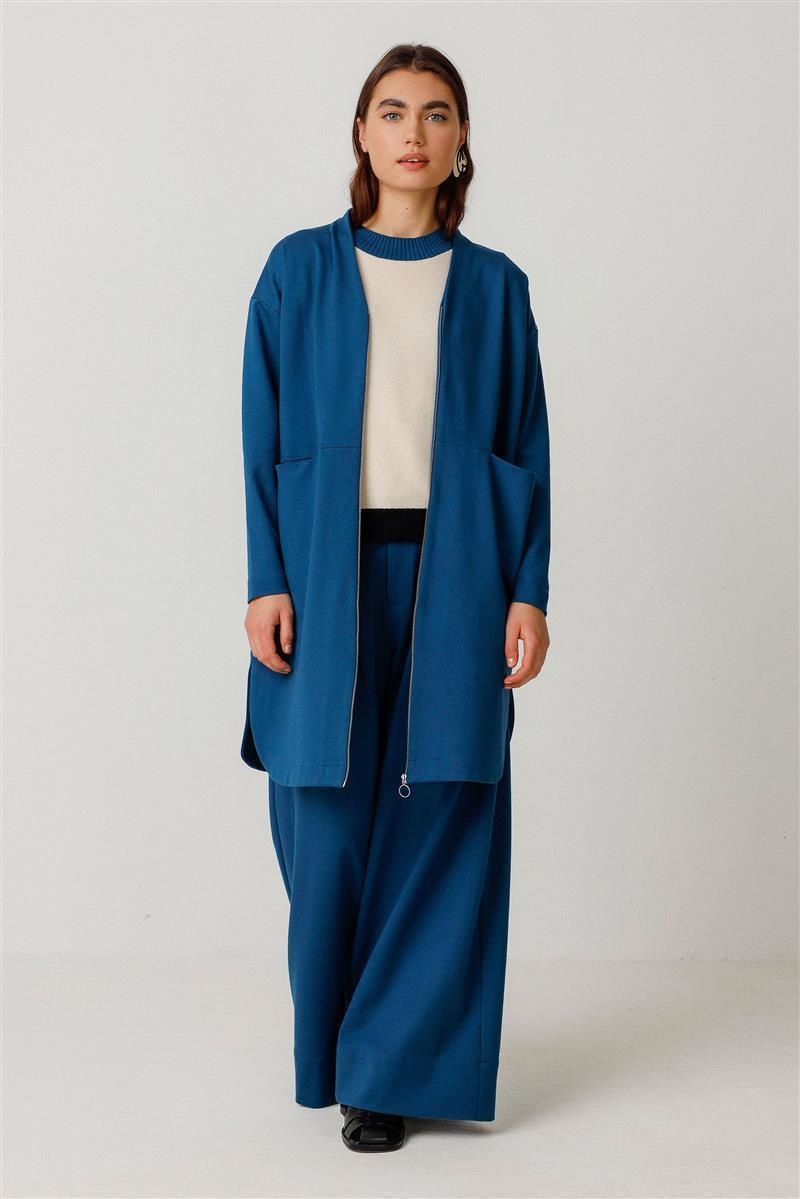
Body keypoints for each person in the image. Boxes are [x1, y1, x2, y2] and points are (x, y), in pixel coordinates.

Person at [241, 43, 551, 1152]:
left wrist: (527, 590)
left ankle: (384, 1074)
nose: (412, 132)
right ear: (361, 133)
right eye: (391, 111)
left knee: (443, 814)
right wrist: (265, 577)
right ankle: (336, 1050)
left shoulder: (496, 288)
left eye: (435, 113)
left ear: (461, 140)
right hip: (325, 576)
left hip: (457, 570)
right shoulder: (298, 271)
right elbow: (260, 437)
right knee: (321, 821)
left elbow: (527, 449)